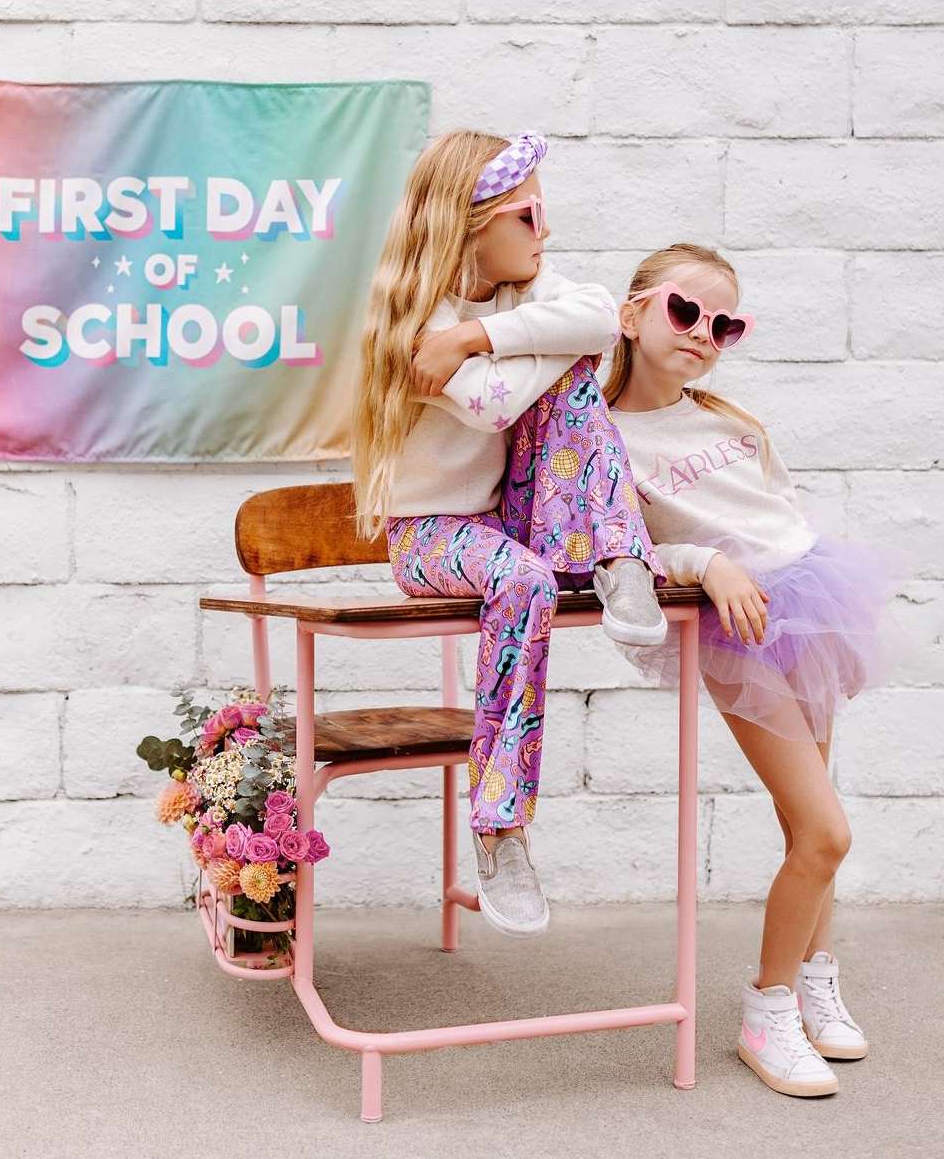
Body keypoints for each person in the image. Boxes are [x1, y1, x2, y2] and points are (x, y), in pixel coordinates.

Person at [351, 129, 667, 940]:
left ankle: (622, 554)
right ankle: (500, 828)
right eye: (529, 215)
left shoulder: (504, 304)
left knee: (570, 389)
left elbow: (601, 312)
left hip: (514, 521)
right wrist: (541, 343)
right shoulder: (406, 319)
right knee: (524, 569)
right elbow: (495, 404)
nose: (546, 231)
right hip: (429, 535)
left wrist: (482, 336)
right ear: (472, 223)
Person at [605, 241, 905, 1097]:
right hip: (733, 626)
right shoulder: (601, 438)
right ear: (630, 314)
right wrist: (704, 562)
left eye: (724, 322)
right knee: (827, 830)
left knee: (806, 825)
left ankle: (815, 980)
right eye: (684, 310)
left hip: (809, 601)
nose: (704, 331)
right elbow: (614, 550)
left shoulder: (730, 419)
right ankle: (765, 1011)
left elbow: (774, 513)